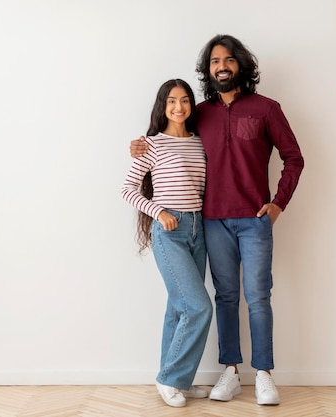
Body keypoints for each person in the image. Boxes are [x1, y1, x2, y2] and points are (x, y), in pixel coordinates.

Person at [131, 35, 304, 406]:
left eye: (228, 59)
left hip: (255, 220)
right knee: (223, 299)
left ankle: (263, 374)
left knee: (258, 297)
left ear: (241, 64)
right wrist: (140, 145)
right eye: (214, 62)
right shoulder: (201, 113)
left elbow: (294, 158)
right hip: (210, 222)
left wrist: (278, 203)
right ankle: (230, 371)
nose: (221, 66)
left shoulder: (267, 108)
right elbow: (168, 137)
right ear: (208, 70)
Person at [121, 79, 213, 408]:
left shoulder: (200, 142)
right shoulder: (151, 145)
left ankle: (178, 380)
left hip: (197, 229)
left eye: (185, 100)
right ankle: (170, 378)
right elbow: (128, 188)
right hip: (169, 231)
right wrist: (158, 212)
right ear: (162, 105)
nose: (179, 107)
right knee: (199, 307)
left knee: (179, 308)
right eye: (172, 101)